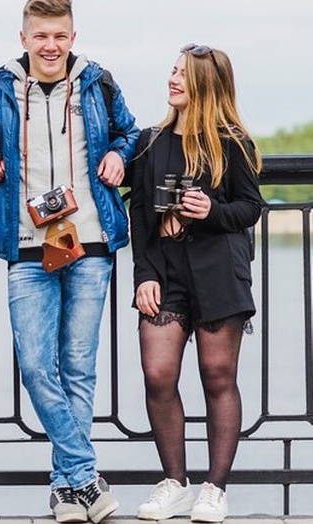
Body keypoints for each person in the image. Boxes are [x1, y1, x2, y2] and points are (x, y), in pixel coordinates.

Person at [0, 1, 139, 522]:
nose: (50, 46)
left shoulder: (99, 83)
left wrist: (120, 153)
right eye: (41, 36)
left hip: (91, 240)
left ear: (73, 35)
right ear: (24, 36)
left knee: (78, 367)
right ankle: (85, 475)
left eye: (60, 35)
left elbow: (130, 132)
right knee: (36, 366)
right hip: (27, 242)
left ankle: (65, 490)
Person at [129, 44, 263, 523]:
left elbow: (250, 207)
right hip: (165, 272)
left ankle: (215, 489)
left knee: (218, 377)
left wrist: (210, 212)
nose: (173, 80)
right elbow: (140, 212)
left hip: (219, 270)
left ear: (206, 84)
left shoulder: (233, 142)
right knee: (158, 374)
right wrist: (143, 274)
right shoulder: (150, 140)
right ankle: (174, 483)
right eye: (173, 70)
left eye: (183, 75)